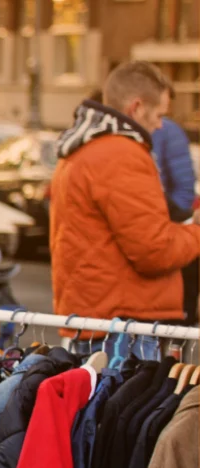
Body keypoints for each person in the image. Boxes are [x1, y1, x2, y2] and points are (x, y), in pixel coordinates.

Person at [49, 61, 200, 324]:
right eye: (160, 115)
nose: (161, 125)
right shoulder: (121, 154)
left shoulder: (84, 147)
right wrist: (196, 230)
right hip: (124, 318)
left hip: (96, 312)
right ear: (137, 107)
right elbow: (155, 252)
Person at [149, 115, 197, 324]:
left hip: (172, 233)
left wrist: (170, 223)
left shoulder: (168, 132)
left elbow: (184, 187)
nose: (158, 122)